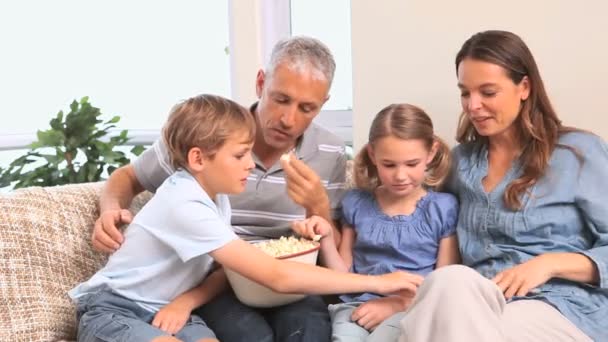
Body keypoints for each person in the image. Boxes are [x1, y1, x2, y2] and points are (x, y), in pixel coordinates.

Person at [70, 94, 423, 342]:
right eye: (240, 155)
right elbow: (278, 276)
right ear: (198, 159)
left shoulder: (215, 198)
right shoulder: (183, 203)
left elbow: (230, 269)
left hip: (168, 309)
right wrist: (379, 282)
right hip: (115, 310)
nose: (249, 165)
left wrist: (186, 302)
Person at [91, 36, 347, 342]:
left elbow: (332, 245)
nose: (288, 119)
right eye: (281, 99)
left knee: (309, 330)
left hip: (288, 279)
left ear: (324, 104)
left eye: (307, 108)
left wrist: (318, 206)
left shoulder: (331, 151)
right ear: (261, 82)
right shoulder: (213, 133)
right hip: (219, 282)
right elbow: (128, 177)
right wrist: (109, 210)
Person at [399, 30, 608, 342]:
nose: (473, 106)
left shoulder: (579, 153)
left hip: (560, 308)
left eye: (488, 92)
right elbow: (418, 225)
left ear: (524, 87)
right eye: (465, 93)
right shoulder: (460, 163)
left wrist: (549, 264)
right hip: (476, 304)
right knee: (449, 281)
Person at [292, 104, 460, 342]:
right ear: (373, 155)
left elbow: (444, 283)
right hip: (354, 306)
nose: (400, 176)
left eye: (412, 164)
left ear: (431, 153)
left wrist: (398, 303)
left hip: (412, 307)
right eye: (389, 165)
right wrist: (327, 237)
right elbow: (342, 276)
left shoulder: (442, 208)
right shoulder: (357, 203)